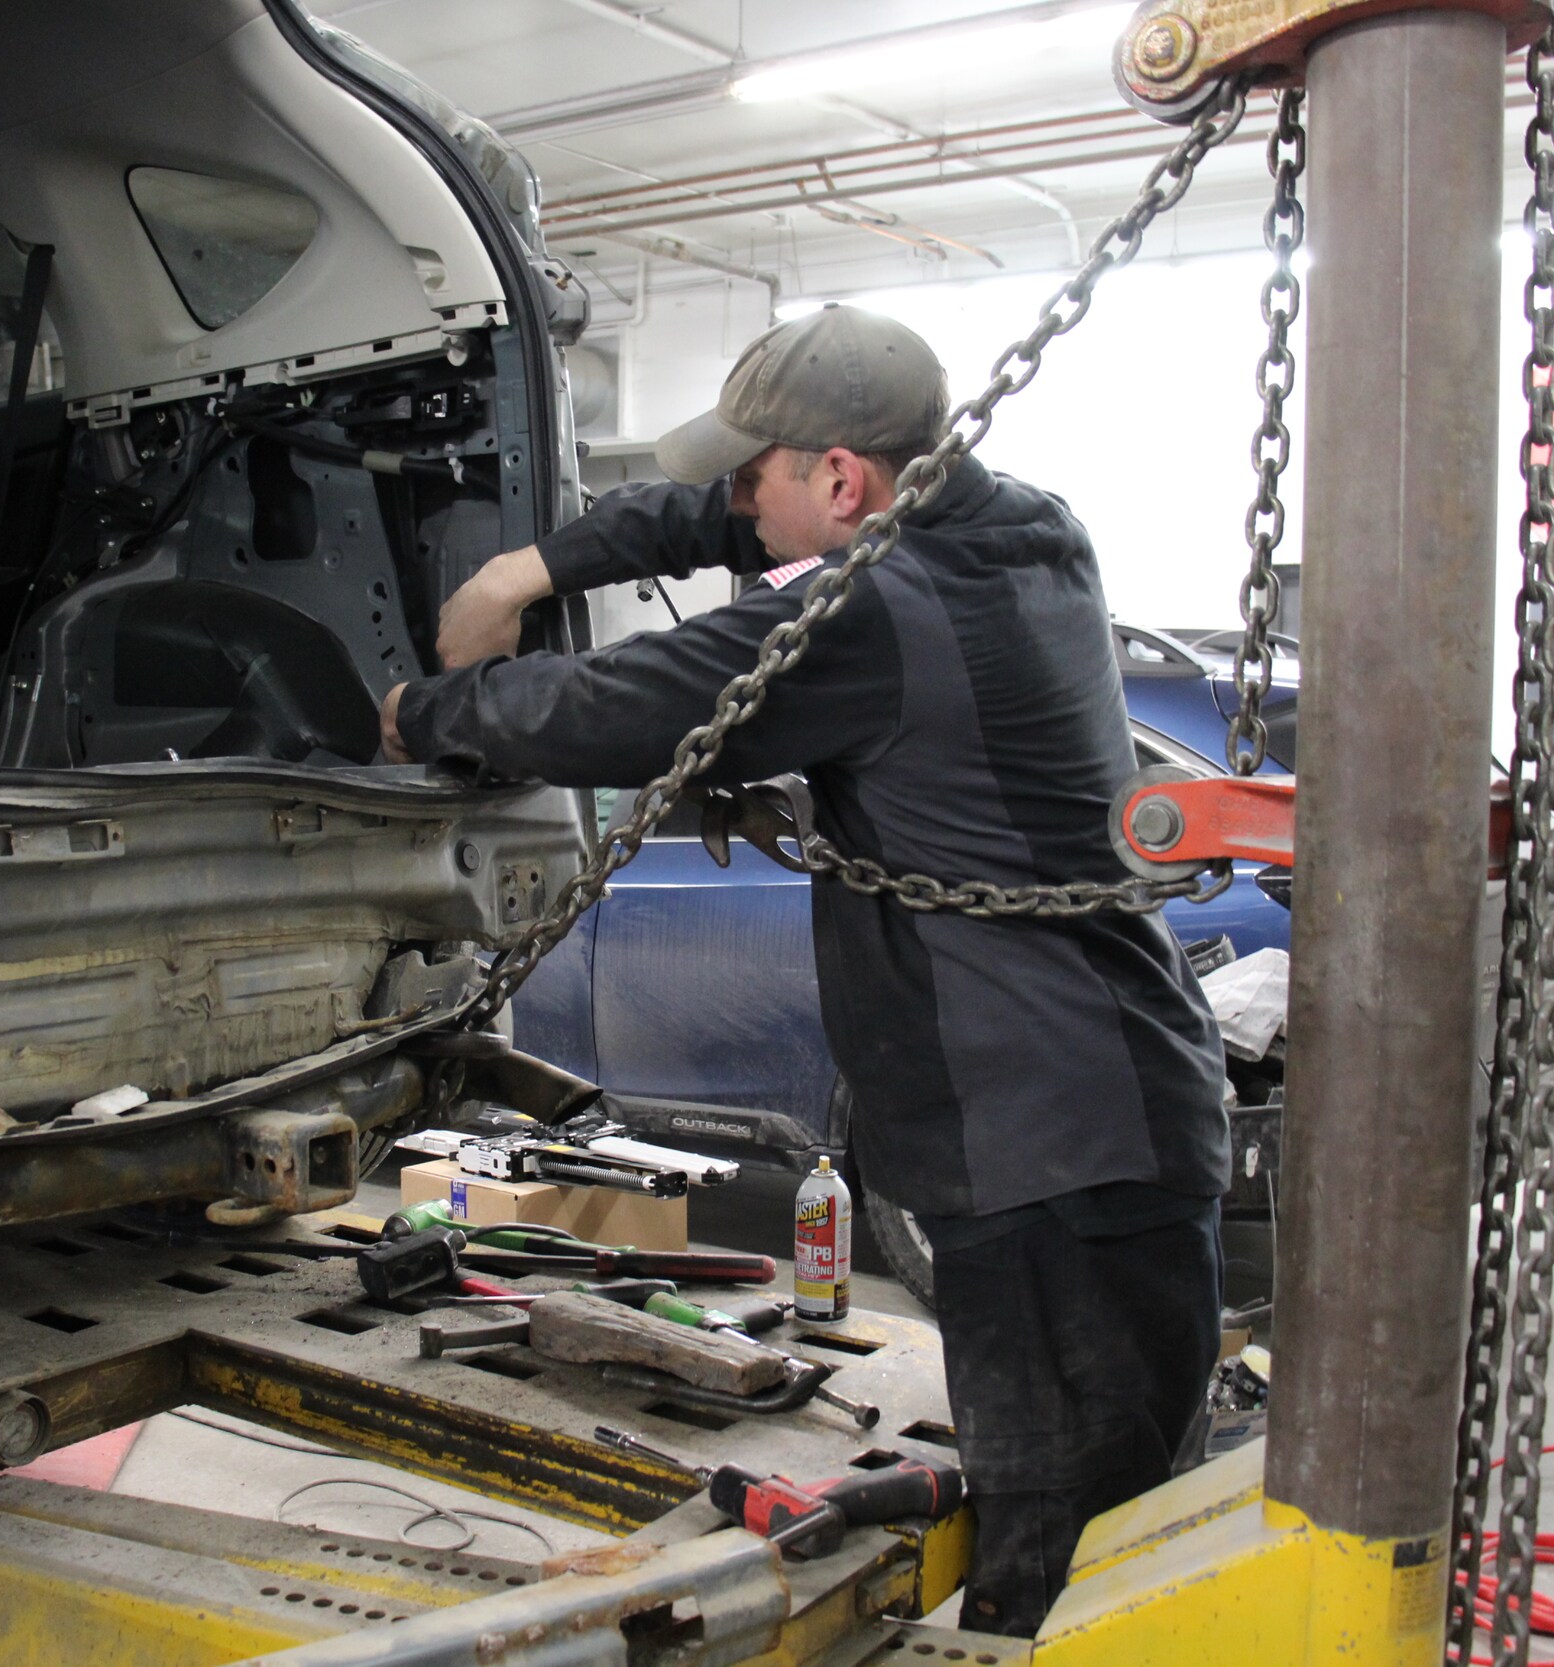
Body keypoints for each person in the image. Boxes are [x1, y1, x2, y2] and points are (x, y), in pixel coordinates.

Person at [379, 305, 1229, 1636]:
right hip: (1115, 1104)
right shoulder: (1022, 522)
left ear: (842, 481)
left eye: (756, 476)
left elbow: (626, 702)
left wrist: (424, 711)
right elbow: (718, 521)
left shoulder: (871, 611)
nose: (733, 505)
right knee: (1097, 1509)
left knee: (1068, 1564)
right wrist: (525, 572)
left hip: (1049, 1156)